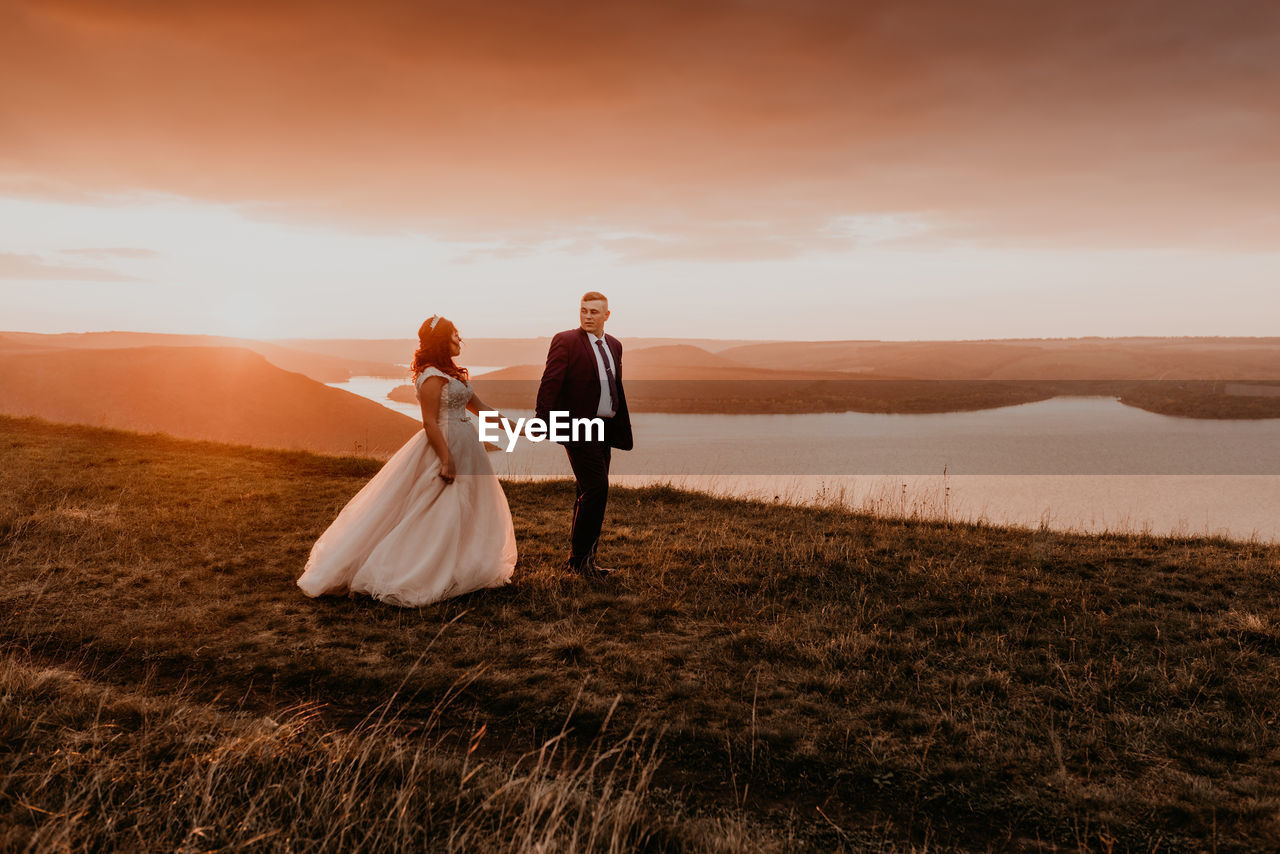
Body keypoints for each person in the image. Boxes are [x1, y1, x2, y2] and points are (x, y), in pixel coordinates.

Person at [297, 315, 518, 606]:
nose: (459, 340)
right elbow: (429, 423)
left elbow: (481, 409)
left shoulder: (454, 374)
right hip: (444, 446)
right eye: (454, 335)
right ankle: (418, 570)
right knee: (438, 509)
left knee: (470, 506)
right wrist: (446, 459)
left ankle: (461, 566)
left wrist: (517, 428)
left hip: (468, 444)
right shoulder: (430, 377)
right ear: (441, 341)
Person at [535, 292, 633, 575]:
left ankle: (584, 560)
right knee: (597, 488)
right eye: (583, 310)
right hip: (578, 427)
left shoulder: (615, 345)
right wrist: (542, 420)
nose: (587, 316)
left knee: (587, 490)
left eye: (594, 312)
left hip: (604, 429)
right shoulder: (565, 340)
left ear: (606, 315)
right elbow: (550, 382)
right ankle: (579, 563)